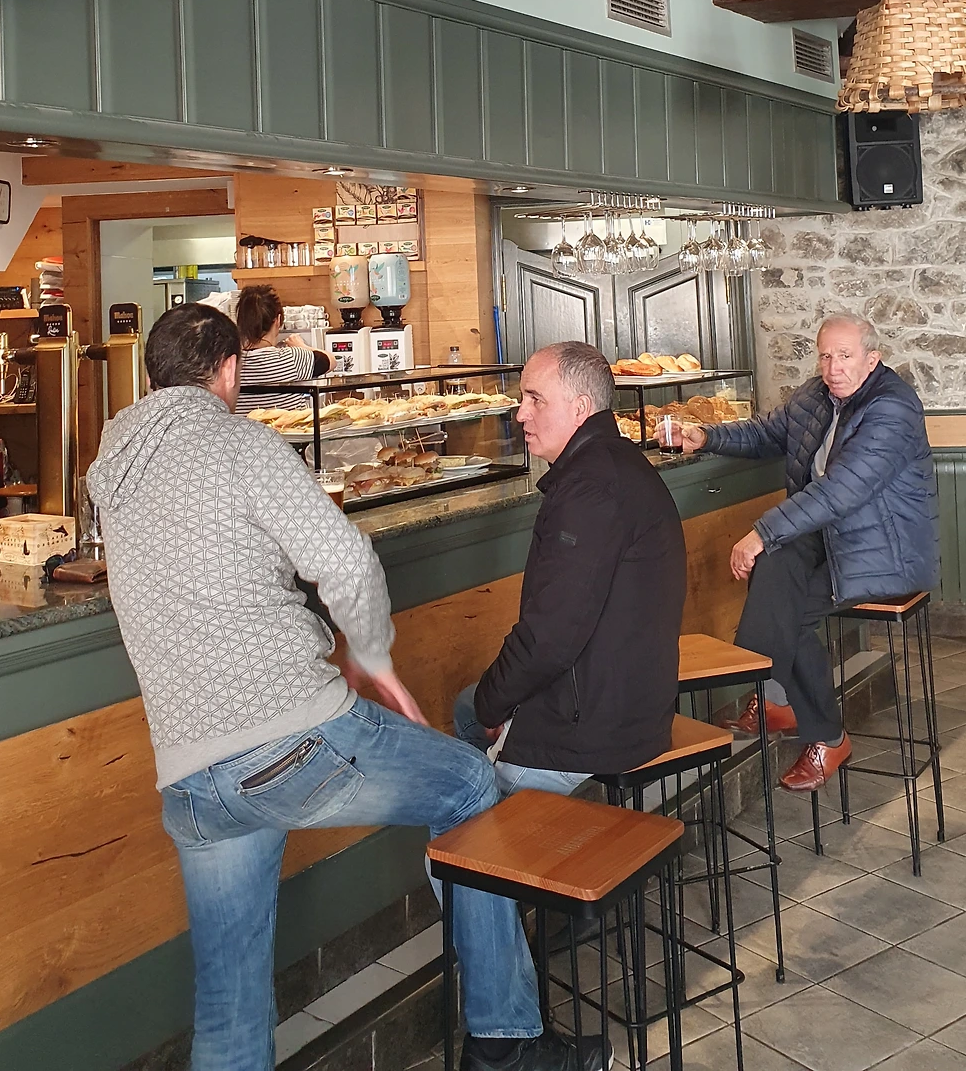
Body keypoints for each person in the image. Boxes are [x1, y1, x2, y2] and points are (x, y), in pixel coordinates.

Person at [88, 303, 608, 1071]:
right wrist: (371, 654)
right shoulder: (243, 444)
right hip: (291, 739)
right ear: (229, 371)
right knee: (471, 784)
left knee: (229, 1006)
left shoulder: (113, 464)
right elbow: (347, 560)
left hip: (194, 778)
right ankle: (505, 1045)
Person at [670, 314, 938, 793]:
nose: (833, 367)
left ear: (872, 359)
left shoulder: (893, 408)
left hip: (882, 550)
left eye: (845, 356)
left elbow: (840, 491)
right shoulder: (817, 395)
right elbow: (767, 433)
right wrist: (707, 436)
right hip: (827, 539)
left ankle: (823, 732)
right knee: (775, 567)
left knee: (785, 606)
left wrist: (761, 532)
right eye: (825, 356)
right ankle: (775, 696)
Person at [455, 342, 686, 797]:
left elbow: (550, 637)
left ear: (580, 408)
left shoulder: (588, 491)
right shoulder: (612, 463)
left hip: (592, 730)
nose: (520, 414)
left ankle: (500, 832)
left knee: (454, 795)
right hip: (631, 701)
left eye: (535, 399)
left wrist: (492, 705)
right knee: (469, 706)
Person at [232, 282, 330, 413]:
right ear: (278, 320)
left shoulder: (229, 364)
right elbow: (331, 361)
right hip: (289, 426)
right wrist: (302, 346)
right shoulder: (292, 357)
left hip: (242, 427)